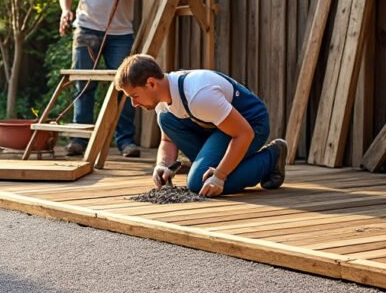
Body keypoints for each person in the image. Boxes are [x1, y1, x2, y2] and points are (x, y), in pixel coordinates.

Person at [114, 54, 288, 197]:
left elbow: (244, 134)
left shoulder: (198, 95)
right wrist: (162, 165)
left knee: (198, 182)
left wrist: (220, 176)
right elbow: (167, 140)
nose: (134, 104)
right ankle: (229, 163)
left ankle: (272, 157)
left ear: (151, 83)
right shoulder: (163, 99)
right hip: (220, 127)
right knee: (166, 119)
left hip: (250, 124)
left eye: (134, 96)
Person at [59, 0, 147, 158]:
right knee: (83, 84)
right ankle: (80, 139)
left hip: (120, 33)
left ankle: (125, 141)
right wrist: (66, 10)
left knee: (125, 87)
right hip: (86, 28)